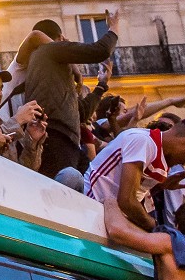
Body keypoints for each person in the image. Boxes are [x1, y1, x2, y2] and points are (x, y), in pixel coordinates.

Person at [22, 13, 121, 177]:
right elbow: (100, 50)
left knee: (86, 186)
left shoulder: (50, 68)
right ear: (60, 38)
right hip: (54, 135)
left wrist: (101, 85)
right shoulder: (49, 50)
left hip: (67, 139)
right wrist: (113, 28)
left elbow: (80, 112)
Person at [85, 113, 185, 232]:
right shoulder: (143, 142)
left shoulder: (160, 155)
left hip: (108, 216)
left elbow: (131, 195)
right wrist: (158, 228)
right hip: (90, 208)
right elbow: (127, 201)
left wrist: (160, 187)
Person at [2, 18, 65, 113]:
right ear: (60, 38)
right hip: (2, 121)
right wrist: (68, 57)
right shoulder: (25, 61)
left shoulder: (43, 68)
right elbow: (35, 35)